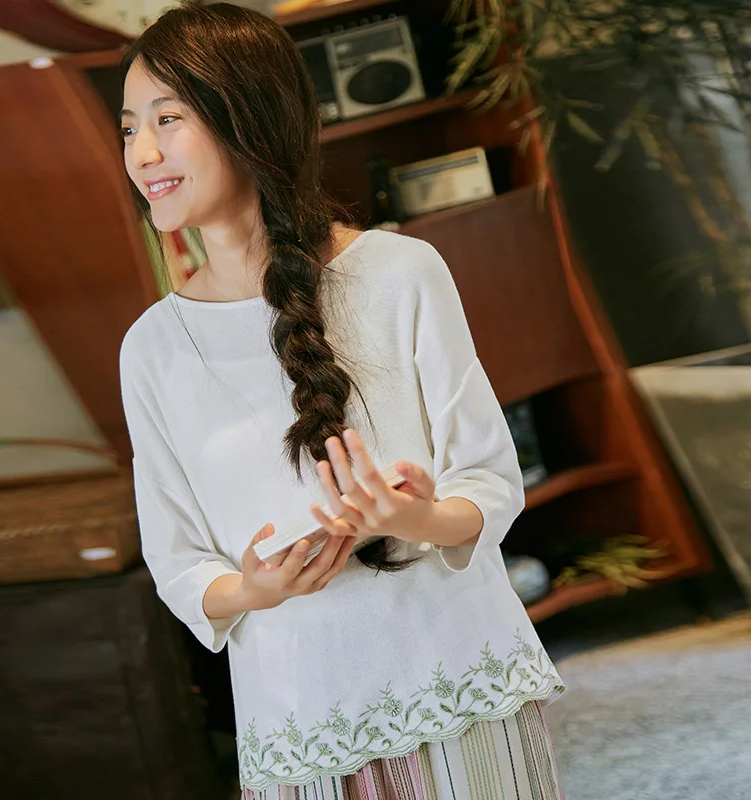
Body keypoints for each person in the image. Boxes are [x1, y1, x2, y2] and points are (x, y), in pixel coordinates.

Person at [118, 3, 565, 798]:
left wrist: (418, 518)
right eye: (129, 129)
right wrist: (253, 590)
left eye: (168, 118)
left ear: (249, 118)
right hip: (302, 717)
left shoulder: (400, 273)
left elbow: (490, 481)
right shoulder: (153, 348)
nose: (143, 152)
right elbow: (179, 560)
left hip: (457, 680)